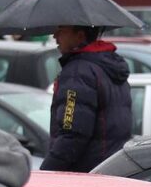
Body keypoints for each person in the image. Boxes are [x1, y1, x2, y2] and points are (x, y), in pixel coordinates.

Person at [40, 25, 131, 173]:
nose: (55, 35)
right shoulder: (108, 67)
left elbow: (73, 133)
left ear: (80, 36)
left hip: (85, 175)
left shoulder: (78, 72)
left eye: (62, 30)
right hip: (112, 169)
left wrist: (46, 172)